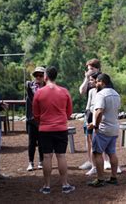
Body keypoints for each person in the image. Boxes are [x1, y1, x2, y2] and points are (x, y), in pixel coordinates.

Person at [33, 66, 75, 195]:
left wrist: (43, 122)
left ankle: (46, 186)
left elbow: (35, 114)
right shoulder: (64, 91)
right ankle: (65, 185)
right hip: (61, 128)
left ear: (45, 77)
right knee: (61, 155)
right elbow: (69, 112)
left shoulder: (39, 93)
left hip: (45, 129)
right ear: (56, 76)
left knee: (46, 156)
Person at [87, 73, 121, 187]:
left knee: (97, 153)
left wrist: (95, 125)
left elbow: (99, 111)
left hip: (103, 129)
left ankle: (100, 179)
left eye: (97, 81)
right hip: (114, 127)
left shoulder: (101, 94)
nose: (96, 84)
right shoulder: (116, 94)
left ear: (103, 82)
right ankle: (113, 177)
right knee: (112, 153)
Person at [78, 58, 101, 172]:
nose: (90, 71)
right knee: (88, 137)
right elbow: (81, 91)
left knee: (100, 137)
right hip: (89, 112)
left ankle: (103, 160)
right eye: (88, 69)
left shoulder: (101, 79)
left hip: (99, 111)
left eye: (92, 69)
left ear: (97, 69)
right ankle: (90, 161)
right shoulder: (88, 79)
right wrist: (86, 78)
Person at [25, 66, 46, 171]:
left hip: (43, 119)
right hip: (32, 118)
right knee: (31, 142)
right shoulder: (30, 85)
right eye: (36, 75)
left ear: (44, 76)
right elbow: (34, 98)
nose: (38, 77)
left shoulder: (48, 87)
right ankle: (30, 162)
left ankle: (41, 161)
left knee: (42, 141)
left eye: (41, 75)